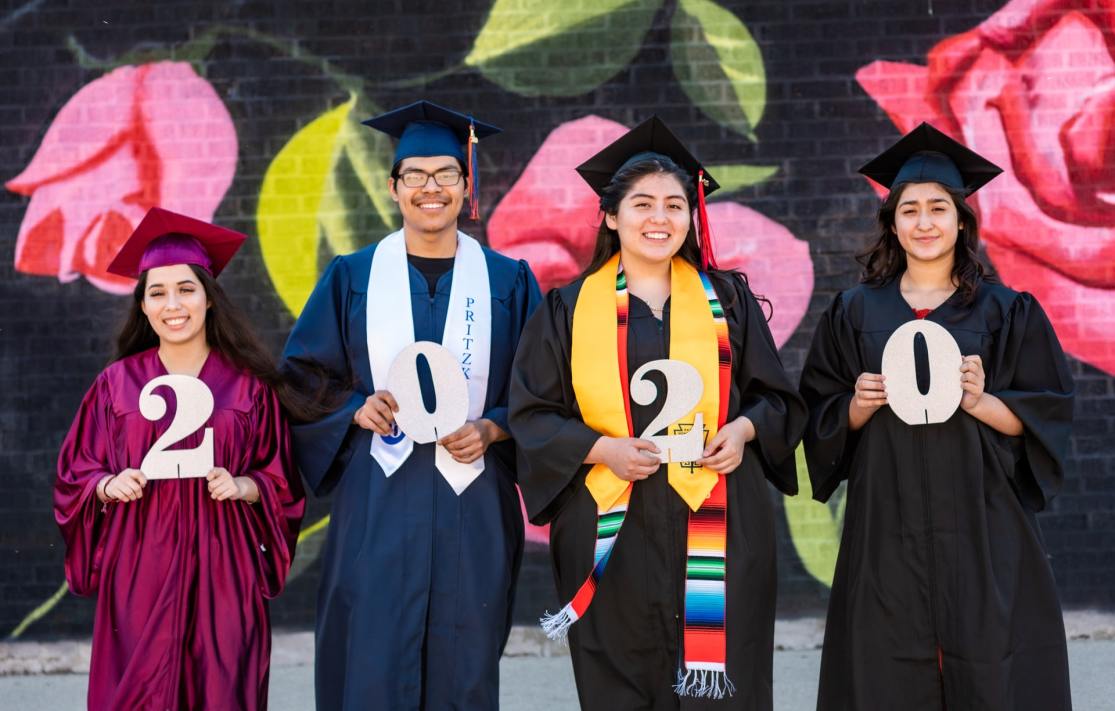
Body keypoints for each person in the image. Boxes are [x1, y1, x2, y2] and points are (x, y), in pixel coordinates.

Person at [509, 116, 807, 710]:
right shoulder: (567, 310)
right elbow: (532, 414)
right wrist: (602, 449)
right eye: (641, 204)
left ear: (692, 217)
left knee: (724, 684)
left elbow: (777, 400)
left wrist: (742, 431)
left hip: (720, 521)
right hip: (610, 523)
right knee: (621, 680)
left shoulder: (729, 301)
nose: (659, 218)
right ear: (610, 216)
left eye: (675, 205)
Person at [799, 123, 1075, 710]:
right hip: (885, 520)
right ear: (892, 222)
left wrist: (982, 401)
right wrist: (856, 405)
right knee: (887, 662)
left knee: (990, 658)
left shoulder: (1005, 311)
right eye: (910, 210)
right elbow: (818, 414)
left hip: (982, 516)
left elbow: (1044, 412)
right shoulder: (853, 312)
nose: (924, 223)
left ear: (960, 221)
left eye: (938, 209)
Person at [280, 100, 541, 710]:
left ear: (466, 184)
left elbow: (545, 389)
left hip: (471, 501)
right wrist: (352, 410)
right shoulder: (352, 276)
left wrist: (496, 428)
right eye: (415, 175)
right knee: (371, 660)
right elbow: (301, 376)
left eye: (446, 173)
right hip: (378, 500)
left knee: (465, 661)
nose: (431, 188)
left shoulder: (508, 281)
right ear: (393, 186)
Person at [54, 207, 307, 710]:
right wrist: (107, 485)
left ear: (209, 300)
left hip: (225, 570)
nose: (174, 304)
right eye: (158, 292)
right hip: (139, 569)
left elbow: (280, 478)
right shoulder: (115, 386)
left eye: (187, 289)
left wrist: (243, 485)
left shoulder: (248, 387)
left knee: (223, 690)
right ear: (143, 307)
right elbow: (73, 475)